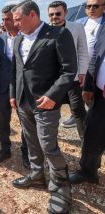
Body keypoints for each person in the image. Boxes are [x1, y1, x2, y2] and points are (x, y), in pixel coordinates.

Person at [9, 1, 77, 213]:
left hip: (45, 102)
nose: (15, 23)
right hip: (23, 101)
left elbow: (69, 71)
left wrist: (52, 96)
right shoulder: (18, 38)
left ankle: (62, 188)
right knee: (31, 141)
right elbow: (16, 69)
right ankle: (37, 174)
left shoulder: (58, 34)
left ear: (32, 15)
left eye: (18, 19)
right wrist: (13, 94)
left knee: (48, 144)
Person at [0, 4, 30, 169]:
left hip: (24, 86)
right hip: (3, 85)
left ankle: (26, 152)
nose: (5, 22)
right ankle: (5, 149)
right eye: (3, 19)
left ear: (16, 17)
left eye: (8, 19)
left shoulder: (28, 37)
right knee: (3, 119)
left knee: (26, 121)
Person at [48, 1, 89, 143]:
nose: (54, 17)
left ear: (65, 13)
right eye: (51, 15)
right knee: (52, 112)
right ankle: (51, 142)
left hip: (73, 78)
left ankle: (86, 142)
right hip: (53, 80)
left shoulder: (77, 27)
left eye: (58, 14)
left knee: (78, 111)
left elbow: (83, 50)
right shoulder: (45, 30)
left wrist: (82, 72)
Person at [69, 24, 105, 185]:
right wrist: (89, 86)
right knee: (92, 134)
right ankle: (88, 171)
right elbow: (96, 57)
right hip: (99, 95)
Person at [63, 0, 105, 128]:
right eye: (88, 6)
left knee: (93, 95)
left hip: (98, 67)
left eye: (95, 6)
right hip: (80, 64)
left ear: (103, 7)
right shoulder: (80, 22)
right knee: (78, 93)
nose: (91, 8)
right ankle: (76, 116)